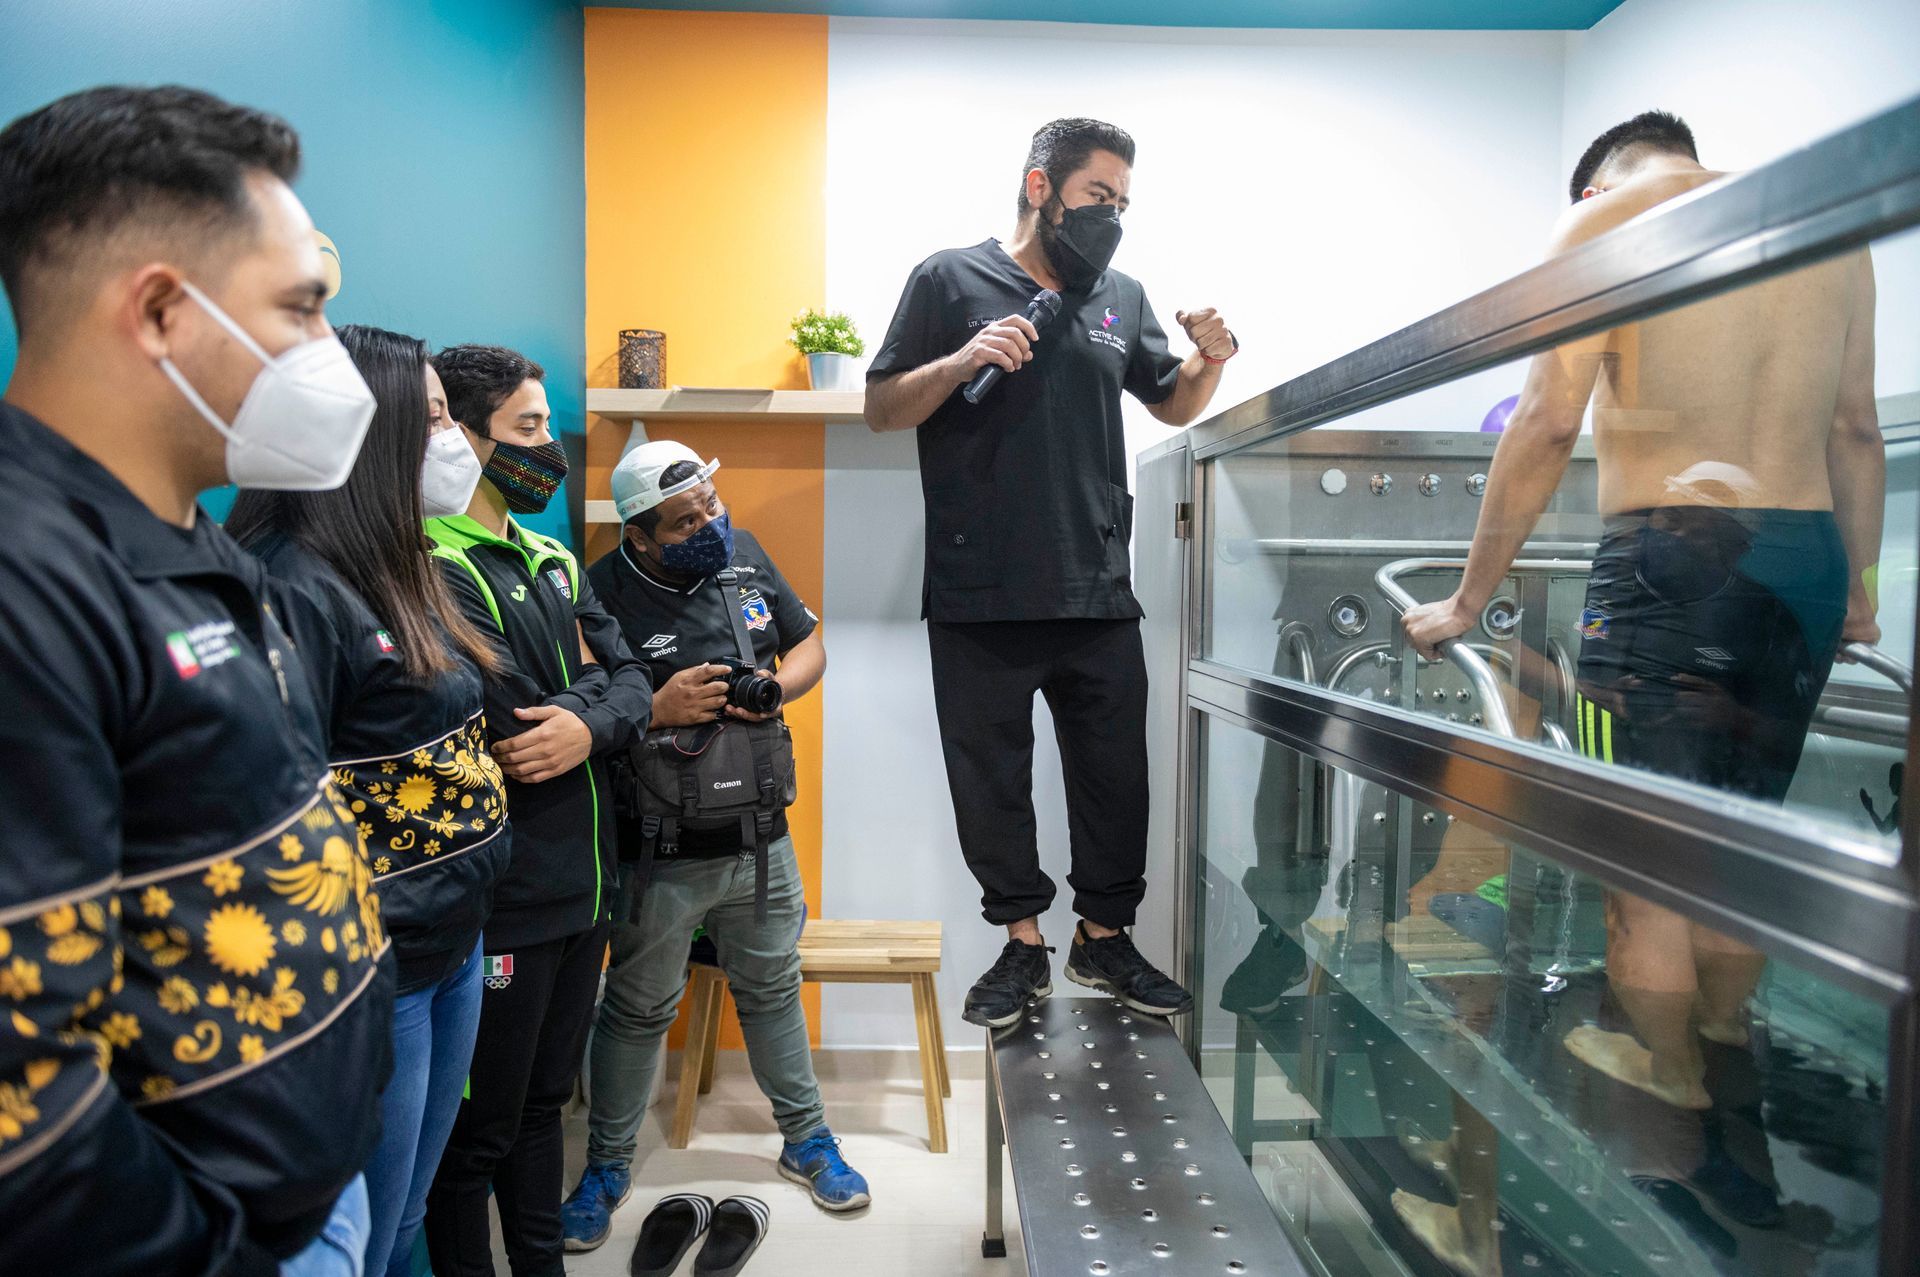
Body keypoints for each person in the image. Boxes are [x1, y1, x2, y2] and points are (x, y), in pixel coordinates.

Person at [1398, 110, 1881, 1275]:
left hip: (1673, 558)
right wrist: (1857, 593)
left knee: (1643, 861)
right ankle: (1719, 1060)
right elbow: (1857, 430)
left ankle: (1667, 1094)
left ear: (1601, 170)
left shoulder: (1606, 215)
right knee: (1736, 846)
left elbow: (1550, 418)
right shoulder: (1825, 226)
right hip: (1805, 562)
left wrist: (1467, 600)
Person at [0, 85, 393, 1275]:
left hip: (307, 1200)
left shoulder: (195, 542)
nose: (328, 350)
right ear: (165, 309)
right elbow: (22, 1089)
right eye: (302, 308)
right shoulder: (29, 581)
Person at [865, 117, 1236, 1027]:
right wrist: (961, 359)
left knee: (1117, 780)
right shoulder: (948, 278)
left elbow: (1172, 400)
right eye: (1097, 197)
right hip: (979, 589)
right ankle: (1023, 944)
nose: (1111, 217)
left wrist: (1210, 359)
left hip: (1098, 585)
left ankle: (1102, 938)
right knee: (991, 782)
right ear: (1041, 187)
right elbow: (881, 407)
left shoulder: (1120, 295)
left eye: (1122, 203)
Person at [228, 325, 512, 1277]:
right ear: (372, 430)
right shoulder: (292, 584)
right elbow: (267, 806)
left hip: (454, 937)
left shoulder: (408, 562)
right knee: (364, 1233)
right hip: (369, 966)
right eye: (431, 417)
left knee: (405, 1219)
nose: (455, 438)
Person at [559, 442, 868, 1251]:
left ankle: (809, 1142)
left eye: (710, 505)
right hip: (660, 851)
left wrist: (779, 694)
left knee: (771, 988)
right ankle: (606, 1166)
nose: (709, 524)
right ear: (639, 533)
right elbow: (584, 708)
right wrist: (656, 706)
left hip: (761, 840)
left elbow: (809, 645)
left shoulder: (745, 555)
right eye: (685, 520)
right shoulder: (600, 592)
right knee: (638, 1009)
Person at [420, 345, 652, 1277]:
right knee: (479, 1133)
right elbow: (513, 717)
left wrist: (592, 723)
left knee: (548, 1109)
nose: (547, 447)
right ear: (466, 436)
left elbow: (634, 677)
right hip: (506, 896)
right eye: (527, 429)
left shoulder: (554, 556)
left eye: (547, 427)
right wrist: (601, 702)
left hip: (589, 885)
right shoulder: (432, 563)